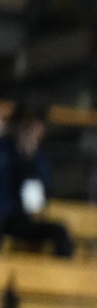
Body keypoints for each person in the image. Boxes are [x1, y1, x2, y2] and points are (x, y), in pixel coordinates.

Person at [0, 106, 73, 258]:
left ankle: (60, 272)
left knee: (60, 232)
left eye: (35, 127)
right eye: (26, 126)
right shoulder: (4, 149)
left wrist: (28, 159)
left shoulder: (38, 160)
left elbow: (35, 203)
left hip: (20, 219)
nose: (29, 131)